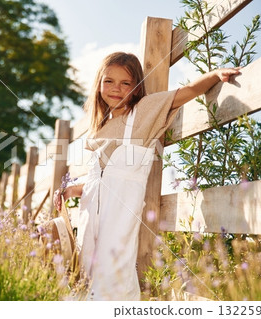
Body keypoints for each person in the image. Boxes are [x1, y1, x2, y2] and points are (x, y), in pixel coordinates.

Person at [53, 52, 240, 300]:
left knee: (114, 279)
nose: (116, 89)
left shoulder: (143, 111)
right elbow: (97, 178)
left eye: (125, 83)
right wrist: (70, 189)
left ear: (136, 87)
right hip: (90, 219)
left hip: (120, 218)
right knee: (86, 277)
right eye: (109, 81)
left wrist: (215, 75)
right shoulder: (99, 126)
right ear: (99, 84)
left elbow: (185, 93)